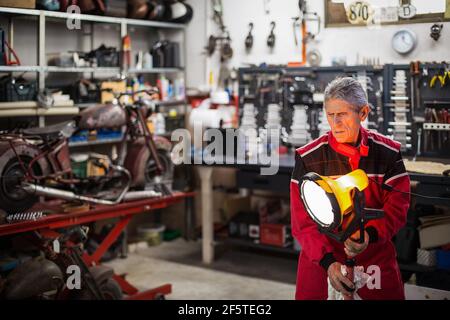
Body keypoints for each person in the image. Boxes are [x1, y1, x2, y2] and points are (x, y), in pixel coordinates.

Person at [290, 77, 410, 300]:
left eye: (342, 115)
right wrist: (328, 263)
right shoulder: (309, 158)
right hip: (322, 259)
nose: (335, 124)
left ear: (363, 113)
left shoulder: (388, 154)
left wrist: (369, 235)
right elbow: (302, 224)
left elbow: (397, 210)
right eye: (330, 115)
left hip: (373, 259)